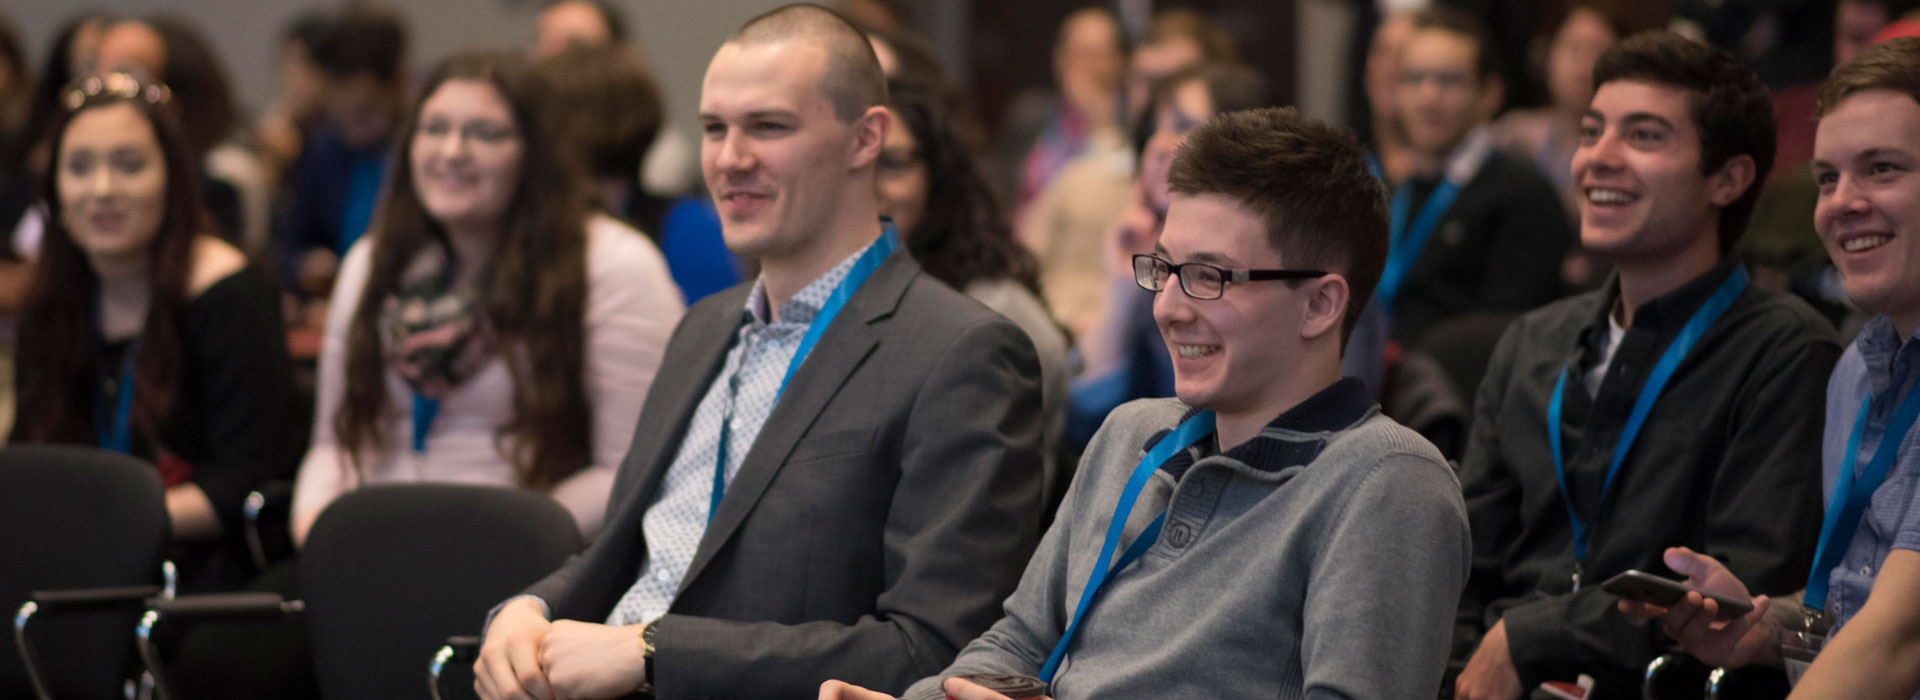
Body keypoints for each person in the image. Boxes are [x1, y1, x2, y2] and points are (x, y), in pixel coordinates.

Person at [473, 6, 1046, 699]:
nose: (728, 158)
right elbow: (635, 551)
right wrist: (528, 610)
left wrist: (654, 652)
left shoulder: (962, 354)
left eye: (767, 126)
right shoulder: (701, 329)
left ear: (867, 138)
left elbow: (930, 650)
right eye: (714, 127)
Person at [821, 105, 1471, 700]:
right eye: (1163, 269)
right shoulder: (1132, 434)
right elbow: (1020, 643)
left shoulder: (1386, 483)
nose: (1168, 307)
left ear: (1320, 303)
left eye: (1209, 278)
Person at [1451, 32, 1841, 700]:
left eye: (1644, 136)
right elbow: (1464, 564)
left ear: (1728, 178)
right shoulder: (1532, 342)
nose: (1597, 159)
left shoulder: (1784, 351)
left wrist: (1530, 636)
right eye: (1591, 130)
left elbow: (1739, 590)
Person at [1618, 36, 1920, 700]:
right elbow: (1855, 618)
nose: (1842, 202)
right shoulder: (1855, 375)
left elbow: (1902, 641)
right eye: (1827, 177)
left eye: (1882, 169)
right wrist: (1767, 630)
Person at [290, 50, 683, 543]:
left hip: (527, 556)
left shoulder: (613, 263)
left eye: (484, 133)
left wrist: (479, 544)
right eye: (433, 128)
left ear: (535, 152)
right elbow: (332, 446)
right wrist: (320, 533)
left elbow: (628, 470)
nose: (452, 151)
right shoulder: (373, 263)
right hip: (376, 545)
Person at [11, 72, 303, 589]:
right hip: (79, 553)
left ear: (173, 177)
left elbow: (243, 482)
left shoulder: (229, 293)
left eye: (130, 165)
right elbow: (30, 455)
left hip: (206, 563)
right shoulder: (50, 299)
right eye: (79, 168)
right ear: (54, 189)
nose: (102, 190)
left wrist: (109, 526)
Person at [877, 79, 1072, 514]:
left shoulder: (996, 315)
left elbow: (988, 520)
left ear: (940, 178)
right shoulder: (847, 297)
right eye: (854, 166)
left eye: (891, 164)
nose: (868, 187)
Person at [1066, 62, 1269, 447]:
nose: (1158, 146)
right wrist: (1122, 288)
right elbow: (1086, 421)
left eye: (1182, 126)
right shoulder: (1155, 261)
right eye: (1153, 130)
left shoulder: (1289, 261)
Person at [1384, 7, 1571, 346]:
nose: (1428, 97)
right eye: (1414, 78)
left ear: (1490, 93)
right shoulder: (1390, 190)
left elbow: (1508, 340)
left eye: (1449, 80)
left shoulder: (1524, 195)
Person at [278, 4, 410, 303]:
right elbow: (291, 244)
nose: (352, 132)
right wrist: (305, 265)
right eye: (339, 117)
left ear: (399, 85)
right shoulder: (326, 147)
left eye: (365, 114)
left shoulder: (426, 153)